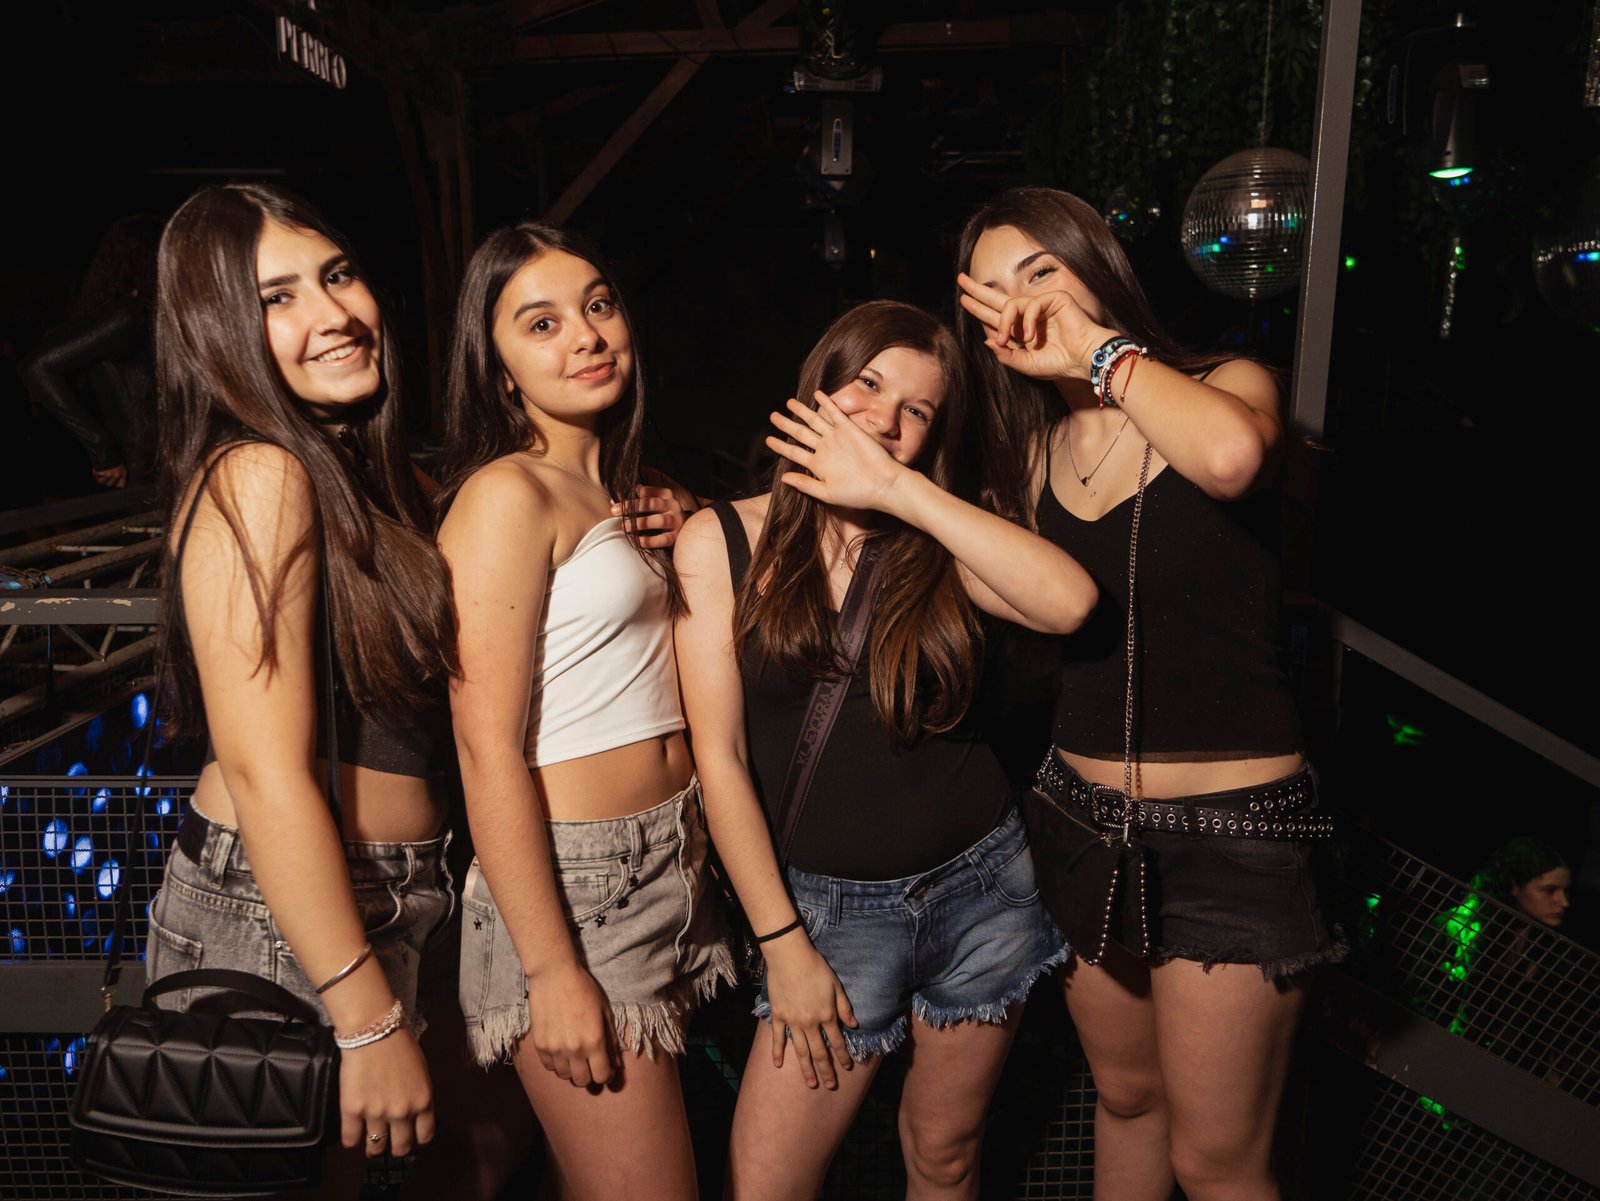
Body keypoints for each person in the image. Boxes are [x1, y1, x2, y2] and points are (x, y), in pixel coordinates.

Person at [956, 186, 1345, 1201]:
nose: (1023, 303)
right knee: (1127, 1098)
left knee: (1215, 1162)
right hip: (1079, 820)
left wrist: (1094, 351)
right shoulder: (1032, 454)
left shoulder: (1225, 383)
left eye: (1041, 271)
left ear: (1095, 269)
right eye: (994, 293)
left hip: (1231, 836)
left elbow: (1230, 459)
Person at [673, 300, 1097, 1201]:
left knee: (945, 1153)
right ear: (820, 384)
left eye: (916, 410)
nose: (883, 418)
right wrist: (784, 944)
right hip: (827, 920)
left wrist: (902, 493)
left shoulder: (939, 533)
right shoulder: (721, 539)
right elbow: (720, 759)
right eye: (867, 383)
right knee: (768, 1185)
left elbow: (1069, 602)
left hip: (984, 889)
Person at [142, 182, 460, 1198]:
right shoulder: (259, 475)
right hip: (276, 914)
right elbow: (263, 771)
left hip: (376, 897)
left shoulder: (364, 472)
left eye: (338, 275)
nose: (334, 313)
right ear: (217, 333)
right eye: (277, 298)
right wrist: (363, 1016)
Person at [435, 220, 733, 1201]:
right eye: (543, 323)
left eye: (597, 305)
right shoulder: (506, 495)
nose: (587, 335)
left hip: (669, 858)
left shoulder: (623, 491)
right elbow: (483, 746)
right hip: (575, 886)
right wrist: (551, 968)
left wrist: (689, 526)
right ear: (497, 370)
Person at [20, 215, 160, 489]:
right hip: (149, 469)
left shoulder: (140, 313)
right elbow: (36, 367)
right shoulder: (127, 316)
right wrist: (102, 449)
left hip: (160, 464)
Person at [1477, 837, 1572, 929]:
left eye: (1566, 891)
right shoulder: (1475, 927)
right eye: (1550, 891)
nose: (1565, 903)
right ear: (1515, 886)